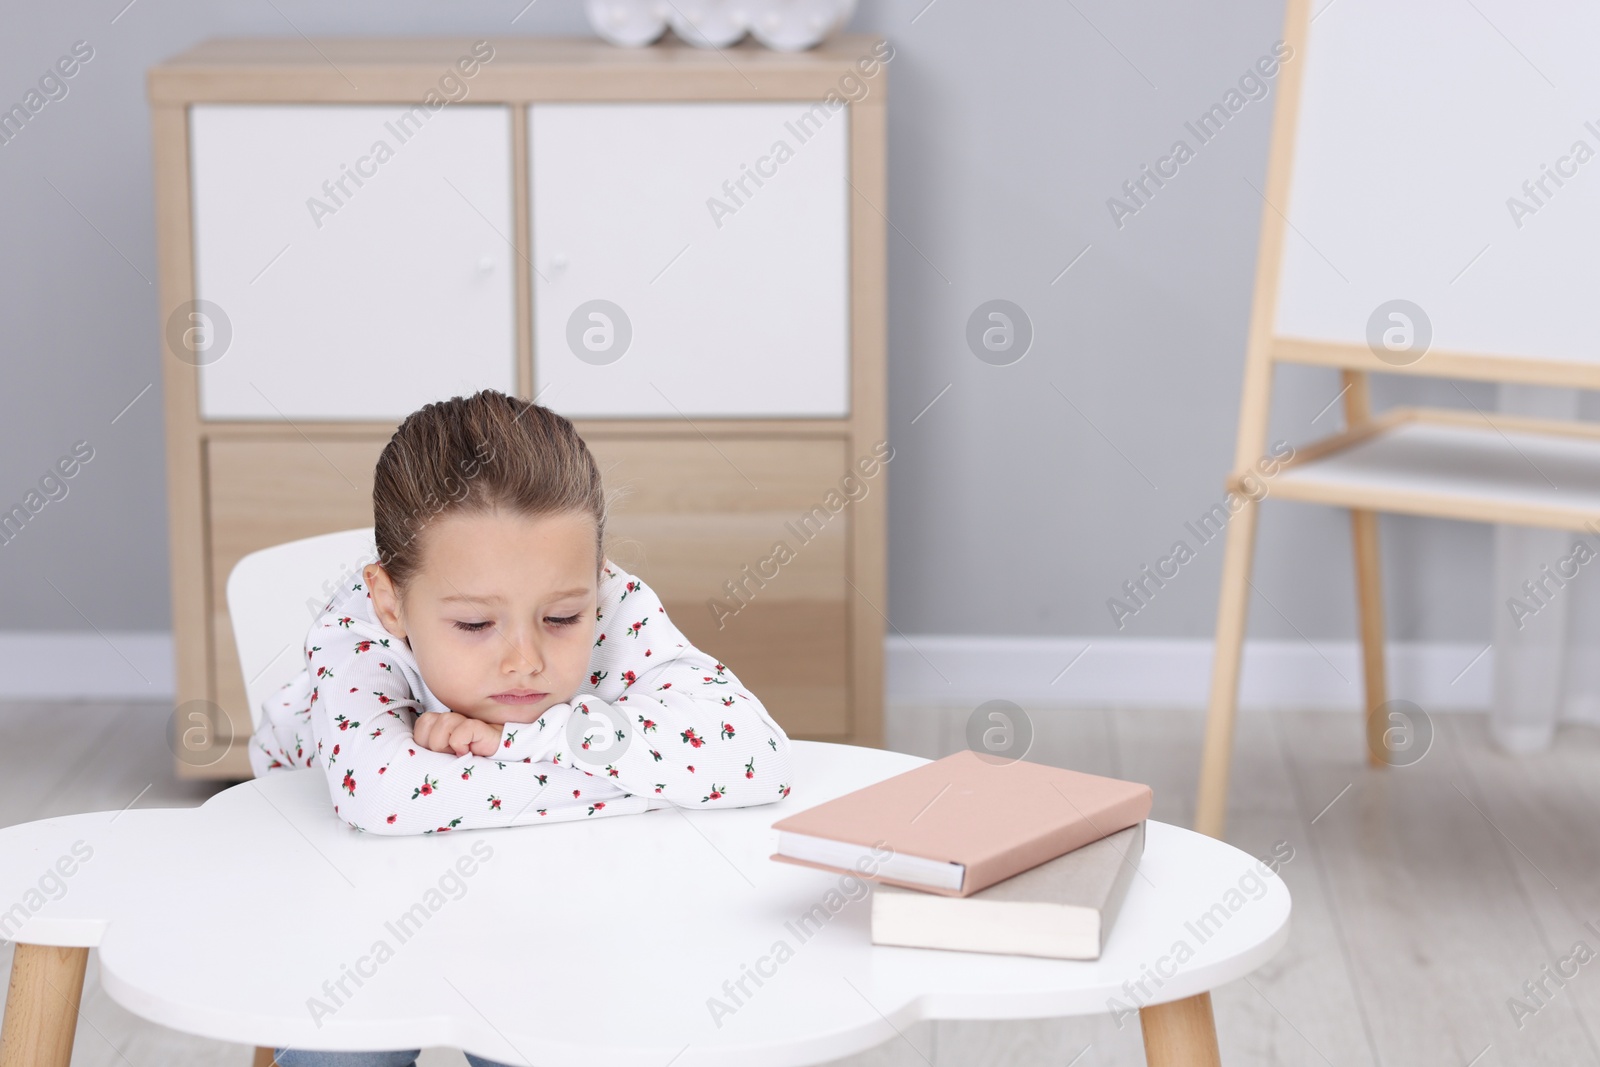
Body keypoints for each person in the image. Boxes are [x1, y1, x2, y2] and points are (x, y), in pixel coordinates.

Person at [249, 389, 795, 1067]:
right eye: (476, 624)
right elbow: (380, 797)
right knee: (341, 1055)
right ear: (391, 601)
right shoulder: (352, 631)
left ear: (595, 581)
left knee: (543, 1031)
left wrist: (522, 740)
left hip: (542, 887)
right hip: (350, 891)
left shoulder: (611, 602)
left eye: (563, 617)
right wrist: (642, 778)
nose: (526, 660)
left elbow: (759, 754)